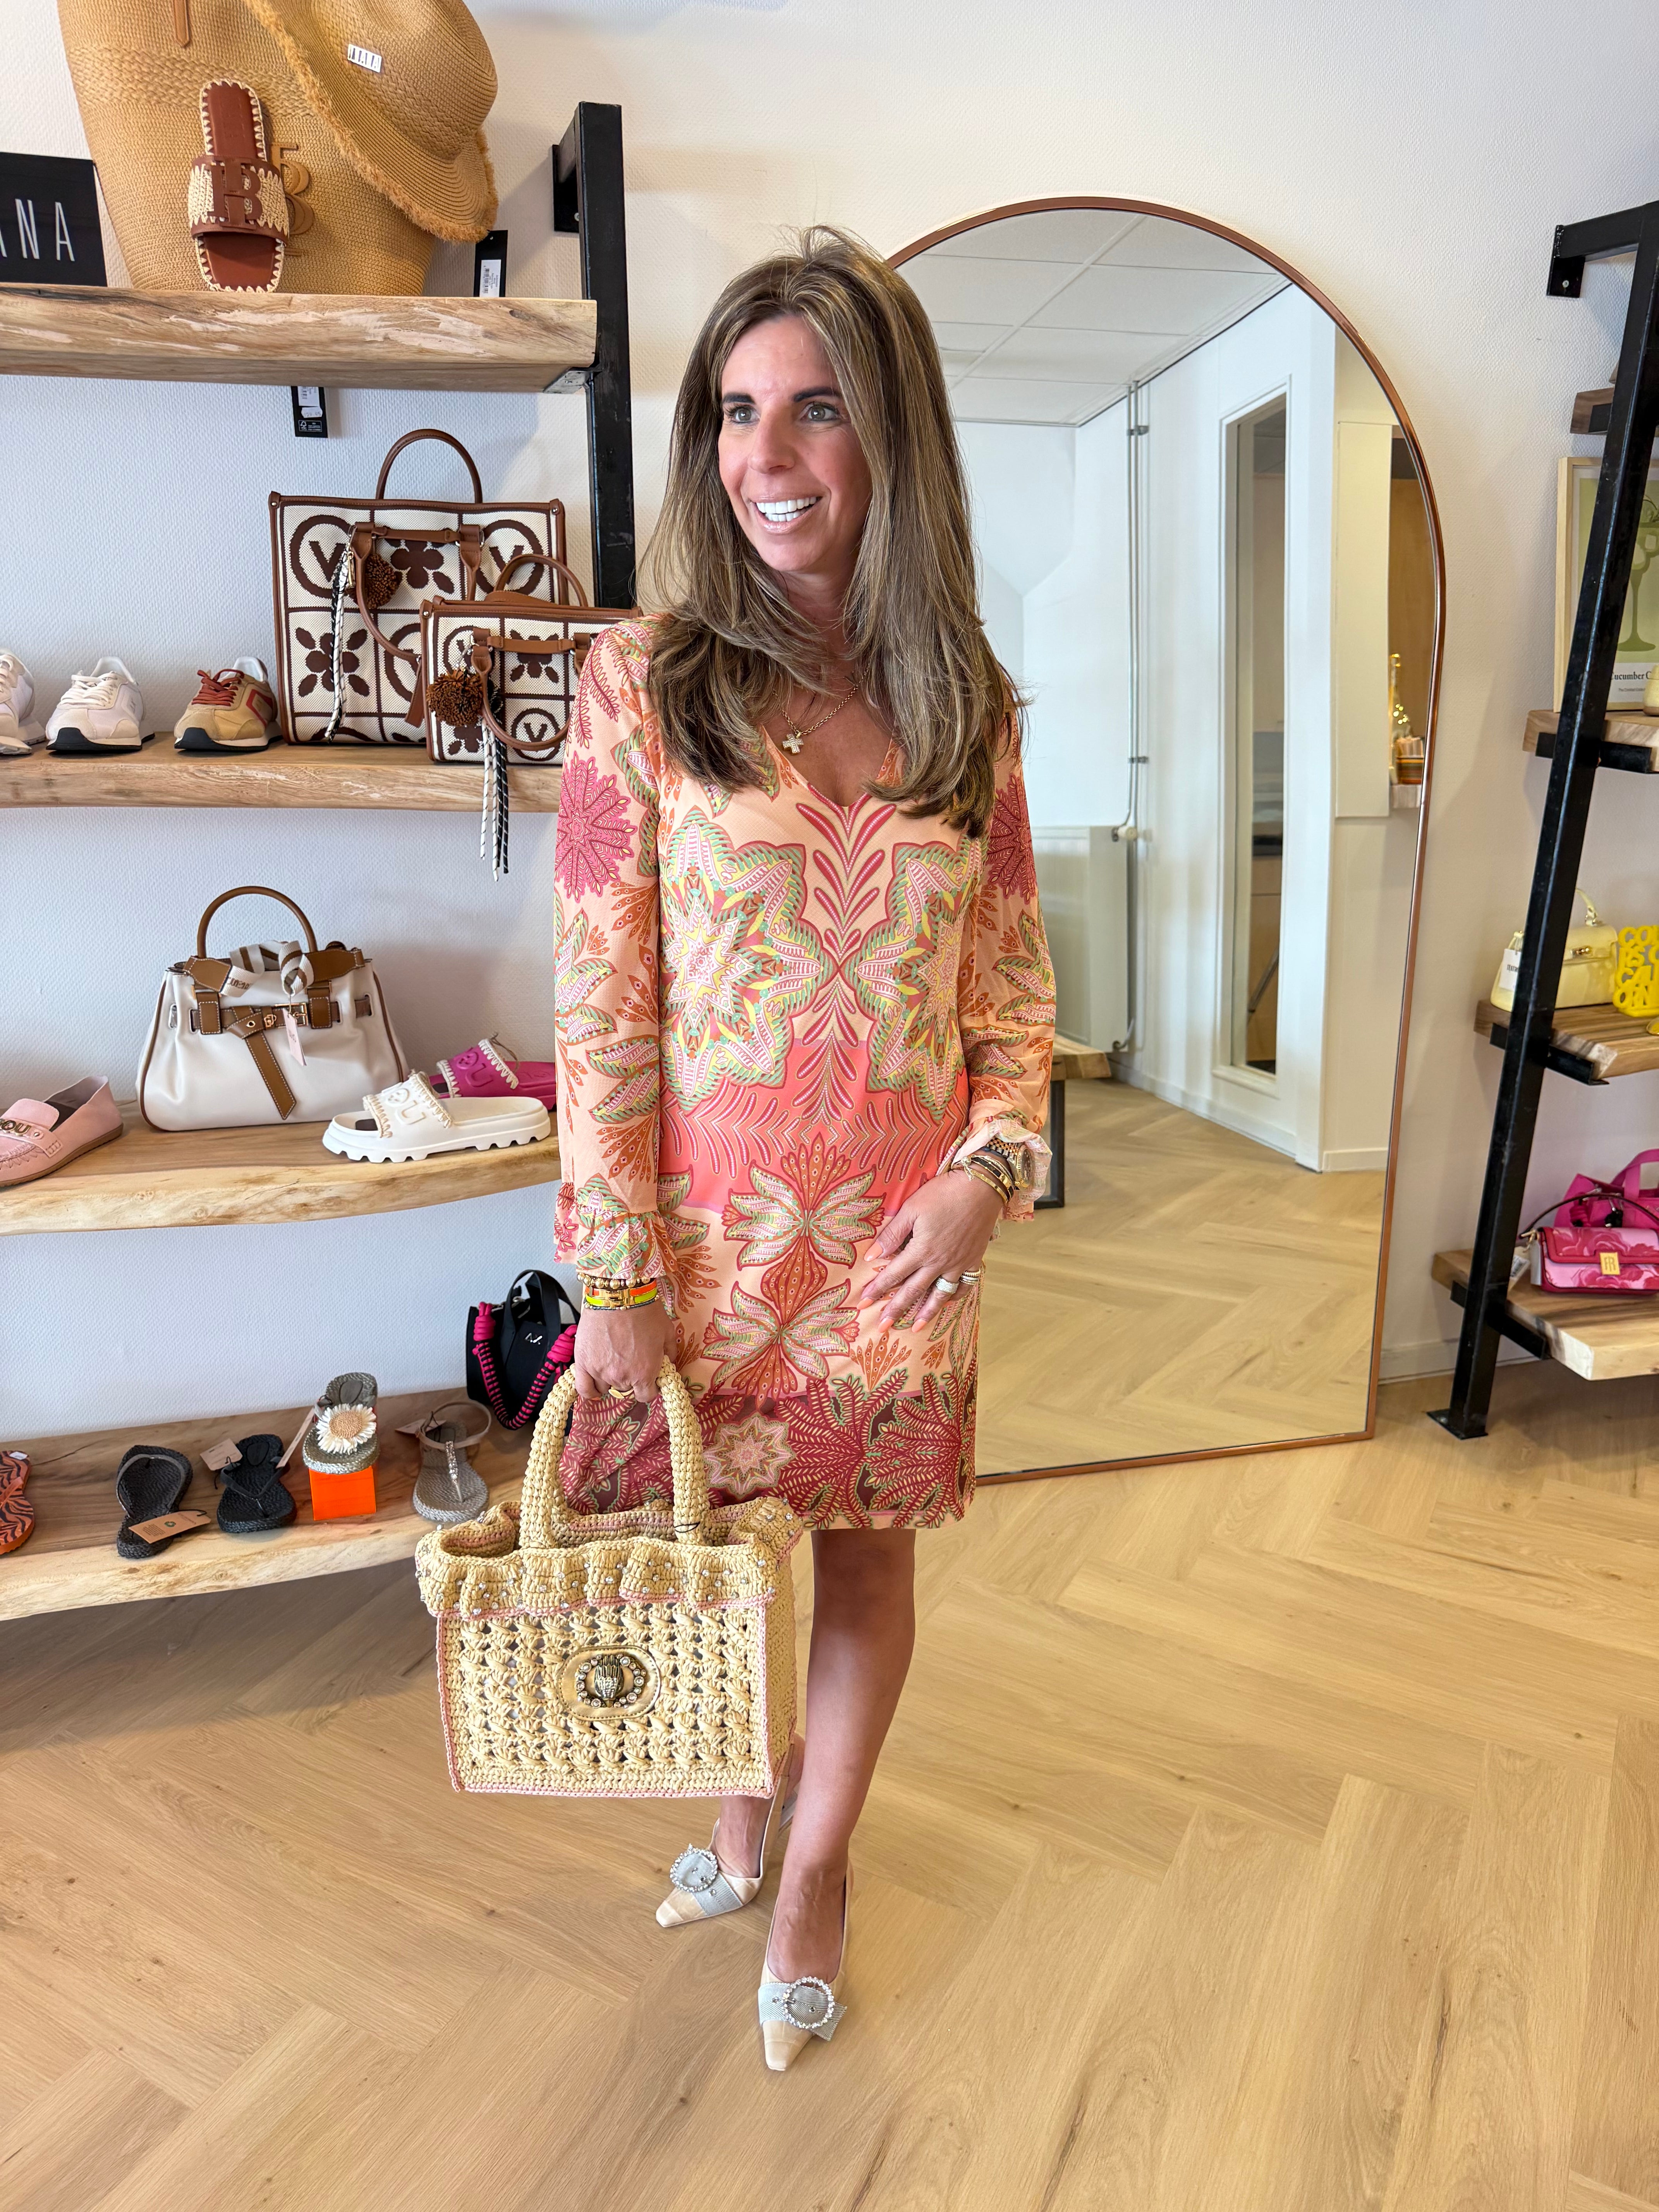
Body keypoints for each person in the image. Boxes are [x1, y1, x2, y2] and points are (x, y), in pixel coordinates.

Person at [551, 225, 1054, 2069]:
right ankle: (738, 1812)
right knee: (714, 1556)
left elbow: (1015, 996)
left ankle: (814, 1869)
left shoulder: (968, 708)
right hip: (702, 1247)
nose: (767, 455)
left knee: (863, 1566)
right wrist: (612, 1269)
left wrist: (988, 1175)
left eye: (818, 409)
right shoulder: (644, 684)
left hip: (900, 1258)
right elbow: (601, 1004)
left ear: (892, 435)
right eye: (738, 412)